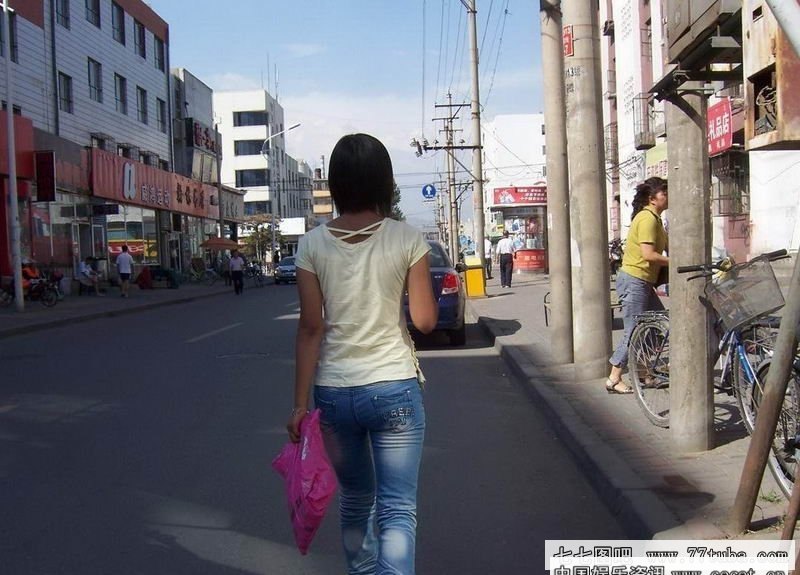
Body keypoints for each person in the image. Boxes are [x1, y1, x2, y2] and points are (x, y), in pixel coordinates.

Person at [287, 133, 437, 575]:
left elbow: (310, 328)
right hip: (393, 386)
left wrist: (299, 406)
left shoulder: (312, 244)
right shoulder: (407, 239)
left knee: (355, 499)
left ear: (335, 184)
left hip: (334, 393)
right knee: (397, 507)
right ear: (384, 182)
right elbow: (426, 321)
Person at [606, 176, 669, 394]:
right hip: (634, 281)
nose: (668, 197)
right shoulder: (647, 219)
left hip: (643, 282)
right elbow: (648, 254)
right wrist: (676, 261)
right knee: (633, 331)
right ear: (652, 199)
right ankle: (614, 377)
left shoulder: (656, 220)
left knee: (658, 326)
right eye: (664, 193)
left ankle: (643, 371)